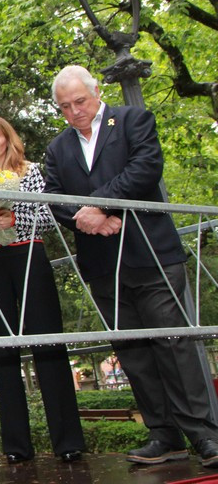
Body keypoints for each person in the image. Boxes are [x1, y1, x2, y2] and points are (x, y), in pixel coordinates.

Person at [44, 65, 218, 467]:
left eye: (80, 102)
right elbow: (53, 198)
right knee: (133, 353)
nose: (74, 112)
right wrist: (90, 219)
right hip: (103, 264)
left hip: (151, 255)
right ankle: (164, 435)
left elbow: (145, 169)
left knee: (173, 346)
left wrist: (98, 206)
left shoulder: (133, 120)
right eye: (65, 107)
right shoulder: (58, 148)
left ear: (96, 92)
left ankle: (205, 435)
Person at [0, 115, 85, 464]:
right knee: (2, 348)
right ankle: (16, 446)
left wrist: (15, 219)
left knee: (48, 342)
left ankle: (68, 441)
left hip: (29, 254)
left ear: (8, 137)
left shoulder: (30, 173)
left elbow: (48, 217)